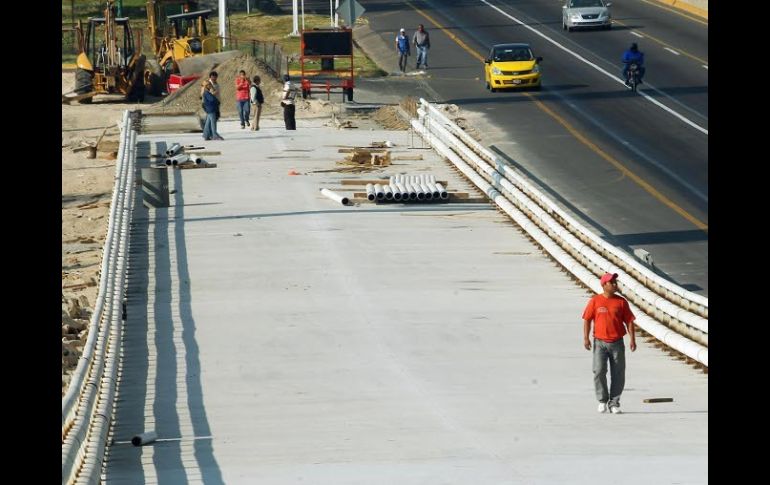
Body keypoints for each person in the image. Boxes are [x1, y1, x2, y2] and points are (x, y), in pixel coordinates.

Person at [582, 272, 636, 414]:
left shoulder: (621, 302)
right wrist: (586, 338)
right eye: (612, 283)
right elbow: (587, 319)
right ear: (604, 285)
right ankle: (602, 400)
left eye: (615, 282)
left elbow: (629, 321)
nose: (615, 285)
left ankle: (614, 402)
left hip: (617, 342)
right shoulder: (595, 301)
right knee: (599, 371)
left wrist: (632, 339)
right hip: (599, 342)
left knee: (618, 373)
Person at [201, 71, 223, 140]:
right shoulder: (206, 86)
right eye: (213, 77)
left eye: (215, 77)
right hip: (210, 106)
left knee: (209, 120)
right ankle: (214, 134)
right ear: (210, 77)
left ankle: (206, 134)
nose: (214, 79)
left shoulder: (216, 84)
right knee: (212, 120)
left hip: (213, 105)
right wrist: (213, 93)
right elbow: (208, 97)